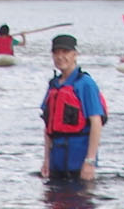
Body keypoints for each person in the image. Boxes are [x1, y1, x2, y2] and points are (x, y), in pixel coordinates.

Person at [40, 33, 106, 181]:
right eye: (56, 53)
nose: (60, 57)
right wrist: (46, 160)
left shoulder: (86, 84)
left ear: (75, 54)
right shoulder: (53, 85)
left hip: (78, 161)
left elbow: (96, 122)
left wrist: (90, 161)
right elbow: (48, 126)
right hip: (57, 162)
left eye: (65, 52)